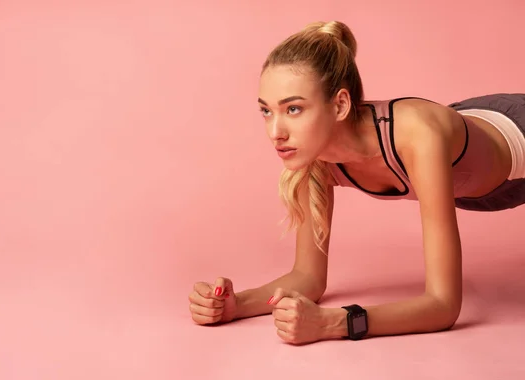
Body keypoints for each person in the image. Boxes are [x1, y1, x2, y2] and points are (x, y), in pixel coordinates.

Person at [187, 20, 525, 345]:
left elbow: (443, 305)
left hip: (514, 135)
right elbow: (308, 278)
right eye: (266, 111)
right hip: (475, 182)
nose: (275, 132)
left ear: (340, 105)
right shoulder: (310, 157)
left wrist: (337, 323)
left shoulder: (418, 136)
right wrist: (236, 305)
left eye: (293, 109)